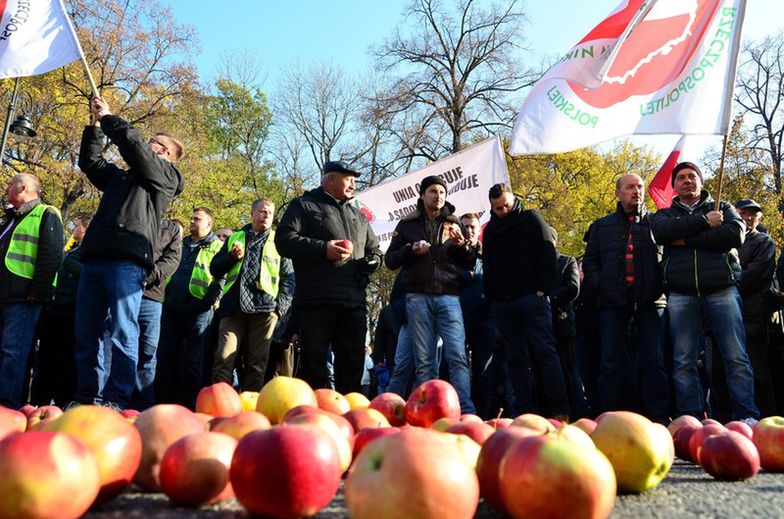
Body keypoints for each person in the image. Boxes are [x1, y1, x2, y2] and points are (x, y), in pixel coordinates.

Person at [73, 96, 184, 409]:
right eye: (151, 141)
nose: (150, 144)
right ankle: (87, 397)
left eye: (157, 143)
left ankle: (117, 399)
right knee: (87, 333)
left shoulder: (166, 178)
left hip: (127, 261)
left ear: (168, 156)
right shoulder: (122, 178)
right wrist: (94, 126)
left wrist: (110, 118)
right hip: (96, 257)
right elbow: (91, 163)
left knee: (123, 332)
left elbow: (133, 147)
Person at [651, 162, 758, 424]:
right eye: (682, 178)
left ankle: (747, 415)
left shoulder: (723, 208)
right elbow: (662, 233)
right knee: (683, 360)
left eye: (692, 176)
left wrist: (685, 239)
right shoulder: (665, 214)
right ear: (674, 186)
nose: (687, 181)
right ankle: (692, 417)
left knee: (736, 356)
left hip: (722, 289)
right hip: (681, 293)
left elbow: (734, 236)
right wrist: (703, 223)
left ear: (701, 181)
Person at [276, 161, 382, 394]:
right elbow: (283, 241)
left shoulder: (359, 216)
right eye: (348, 178)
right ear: (330, 180)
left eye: (355, 179)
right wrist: (323, 248)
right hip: (316, 301)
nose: (354, 184)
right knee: (314, 365)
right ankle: (312, 418)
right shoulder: (303, 206)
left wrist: (373, 261)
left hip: (354, 302)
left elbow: (375, 249)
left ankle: (349, 416)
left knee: (353, 365)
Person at [385, 175, 476, 414]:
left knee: (457, 355)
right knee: (424, 361)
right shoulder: (407, 224)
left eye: (442, 192)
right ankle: (430, 412)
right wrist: (410, 250)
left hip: (449, 296)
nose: (438, 196)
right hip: (417, 297)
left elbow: (469, 263)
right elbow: (390, 260)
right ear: (423, 195)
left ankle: (465, 410)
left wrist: (462, 246)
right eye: (433, 191)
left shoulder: (453, 223)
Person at [582, 174, 669, 423]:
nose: (637, 191)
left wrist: (659, 286)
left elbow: (667, 260)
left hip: (651, 302)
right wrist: (602, 287)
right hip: (612, 302)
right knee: (609, 362)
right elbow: (591, 262)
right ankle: (607, 418)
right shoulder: (601, 226)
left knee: (654, 361)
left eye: (640, 186)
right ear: (618, 193)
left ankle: (659, 419)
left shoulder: (657, 223)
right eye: (630, 187)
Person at [482, 183, 569, 420]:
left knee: (545, 353)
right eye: (498, 208)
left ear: (514, 200)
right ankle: (525, 413)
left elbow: (547, 253)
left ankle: (560, 411)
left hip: (532, 299)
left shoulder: (531, 219)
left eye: (507, 206)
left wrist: (542, 290)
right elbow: (488, 266)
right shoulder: (490, 231)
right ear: (492, 207)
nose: (504, 211)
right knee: (516, 360)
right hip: (503, 304)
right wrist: (492, 299)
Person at [211, 198, 294, 392]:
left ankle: (251, 409)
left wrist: (279, 309)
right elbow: (215, 269)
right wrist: (231, 257)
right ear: (252, 213)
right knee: (223, 359)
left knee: (257, 365)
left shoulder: (279, 240)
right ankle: (219, 404)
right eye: (263, 211)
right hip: (233, 309)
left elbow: (289, 279)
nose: (266, 216)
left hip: (265, 311)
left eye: (270, 213)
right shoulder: (235, 237)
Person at [0, 174, 64, 408]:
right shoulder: (11, 218)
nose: (6, 188)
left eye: (10, 184)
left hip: (24, 297)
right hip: (6, 295)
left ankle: (7, 407)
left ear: (24, 188)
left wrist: (38, 290)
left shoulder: (46, 213)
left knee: (13, 353)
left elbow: (51, 254)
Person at [155, 208, 223, 408]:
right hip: (172, 307)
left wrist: (206, 303)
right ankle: (161, 402)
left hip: (199, 311)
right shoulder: (179, 244)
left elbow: (221, 279)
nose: (191, 221)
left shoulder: (218, 246)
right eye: (191, 217)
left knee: (193, 361)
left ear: (209, 224)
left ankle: (188, 404)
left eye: (197, 219)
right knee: (165, 357)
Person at [32, 215, 90, 407]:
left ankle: (62, 402)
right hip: (55, 311)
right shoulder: (71, 250)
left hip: (71, 314)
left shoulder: (87, 253)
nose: (74, 228)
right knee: (47, 362)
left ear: (86, 228)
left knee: (65, 364)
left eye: (78, 225)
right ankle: (40, 402)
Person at [731, 199, 776, 417]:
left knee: (756, 372)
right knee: (720, 372)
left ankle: (766, 418)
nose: (749, 217)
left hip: (752, 317)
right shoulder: (728, 240)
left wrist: (725, 280)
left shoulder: (764, 243)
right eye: (744, 213)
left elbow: (755, 276)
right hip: (725, 318)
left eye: (754, 214)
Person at [130, 219, 181, 410]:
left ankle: (143, 405)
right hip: (123, 294)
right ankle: (115, 399)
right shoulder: (133, 220)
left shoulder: (171, 230)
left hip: (151, 298)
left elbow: (170, 261)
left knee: (147, 353)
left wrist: (144, 278)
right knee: (118, 345)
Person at [457, 212, 496, 418]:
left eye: (473, 227)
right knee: (456, 367)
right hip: (458, 319)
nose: (469, 231)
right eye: (465, 227)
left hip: (485, 319)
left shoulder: (489, 255)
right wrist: (470, 276)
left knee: (484, 371)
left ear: (479, 229)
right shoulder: (451, 254)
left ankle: (484, 416)